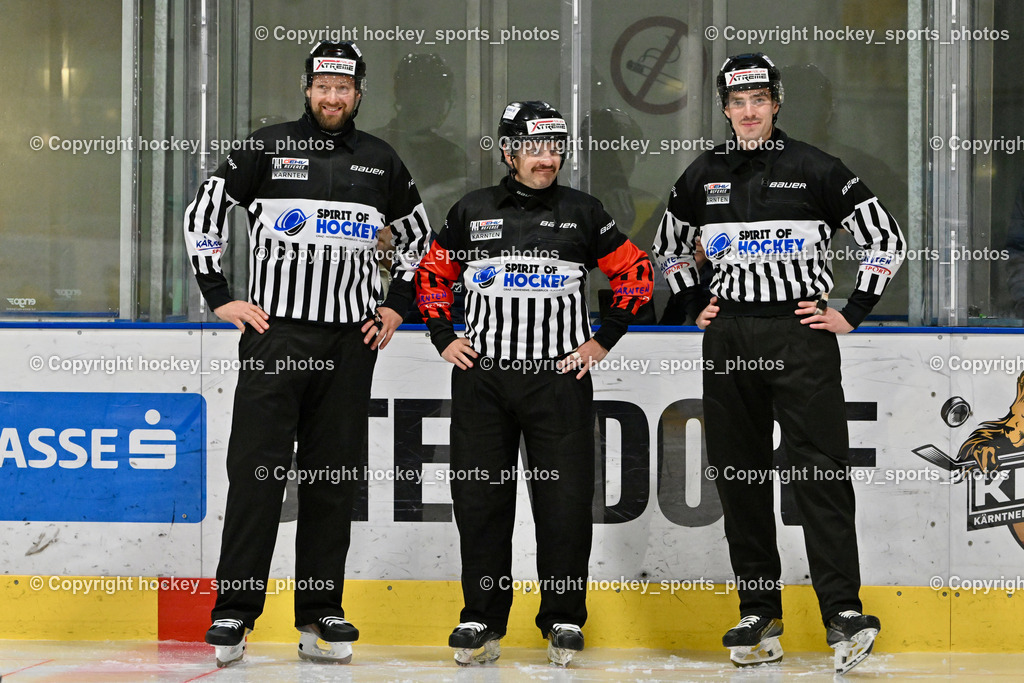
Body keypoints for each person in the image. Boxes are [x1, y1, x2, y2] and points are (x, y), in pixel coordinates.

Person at [652, 53, 905, 675]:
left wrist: (852, 311)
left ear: (777, 100)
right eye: (737, 102)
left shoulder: (817, 167)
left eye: (758, 99)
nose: (748, 111)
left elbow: (885, 239)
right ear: (725, 107)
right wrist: (693, 302)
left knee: (819, 473)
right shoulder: (702, 173)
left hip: (800, 337)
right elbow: (666, 248)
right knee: (738, 475)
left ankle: (843, 611)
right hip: (731, 336)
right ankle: (758, 609)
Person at [183, 40, 430, 667]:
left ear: (359, 94)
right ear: (307, 87)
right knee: (257, 477)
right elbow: (204, 211)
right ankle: (234, 611)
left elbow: (421, 240)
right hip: (277, 337)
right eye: (323, 86)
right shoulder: (266, 147)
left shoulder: (381, 160)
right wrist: (219, 295)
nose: (332, 97)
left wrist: (398, 304)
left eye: (343, 88)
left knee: (330, 481)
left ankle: (320, 613)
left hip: (350, 342)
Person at [415, 101, 653, 667]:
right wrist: (443, 336)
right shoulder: (471, 211)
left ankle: (565, 619)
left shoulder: (584, 212)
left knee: (565, 504)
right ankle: (482, 617)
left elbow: (636, 272)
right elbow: (430, 273)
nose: (546, 159)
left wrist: (603, 340)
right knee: (480, 502)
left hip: (557, 381)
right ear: (508, 152)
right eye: (534, 148)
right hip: (484, 381)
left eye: (554, 148)